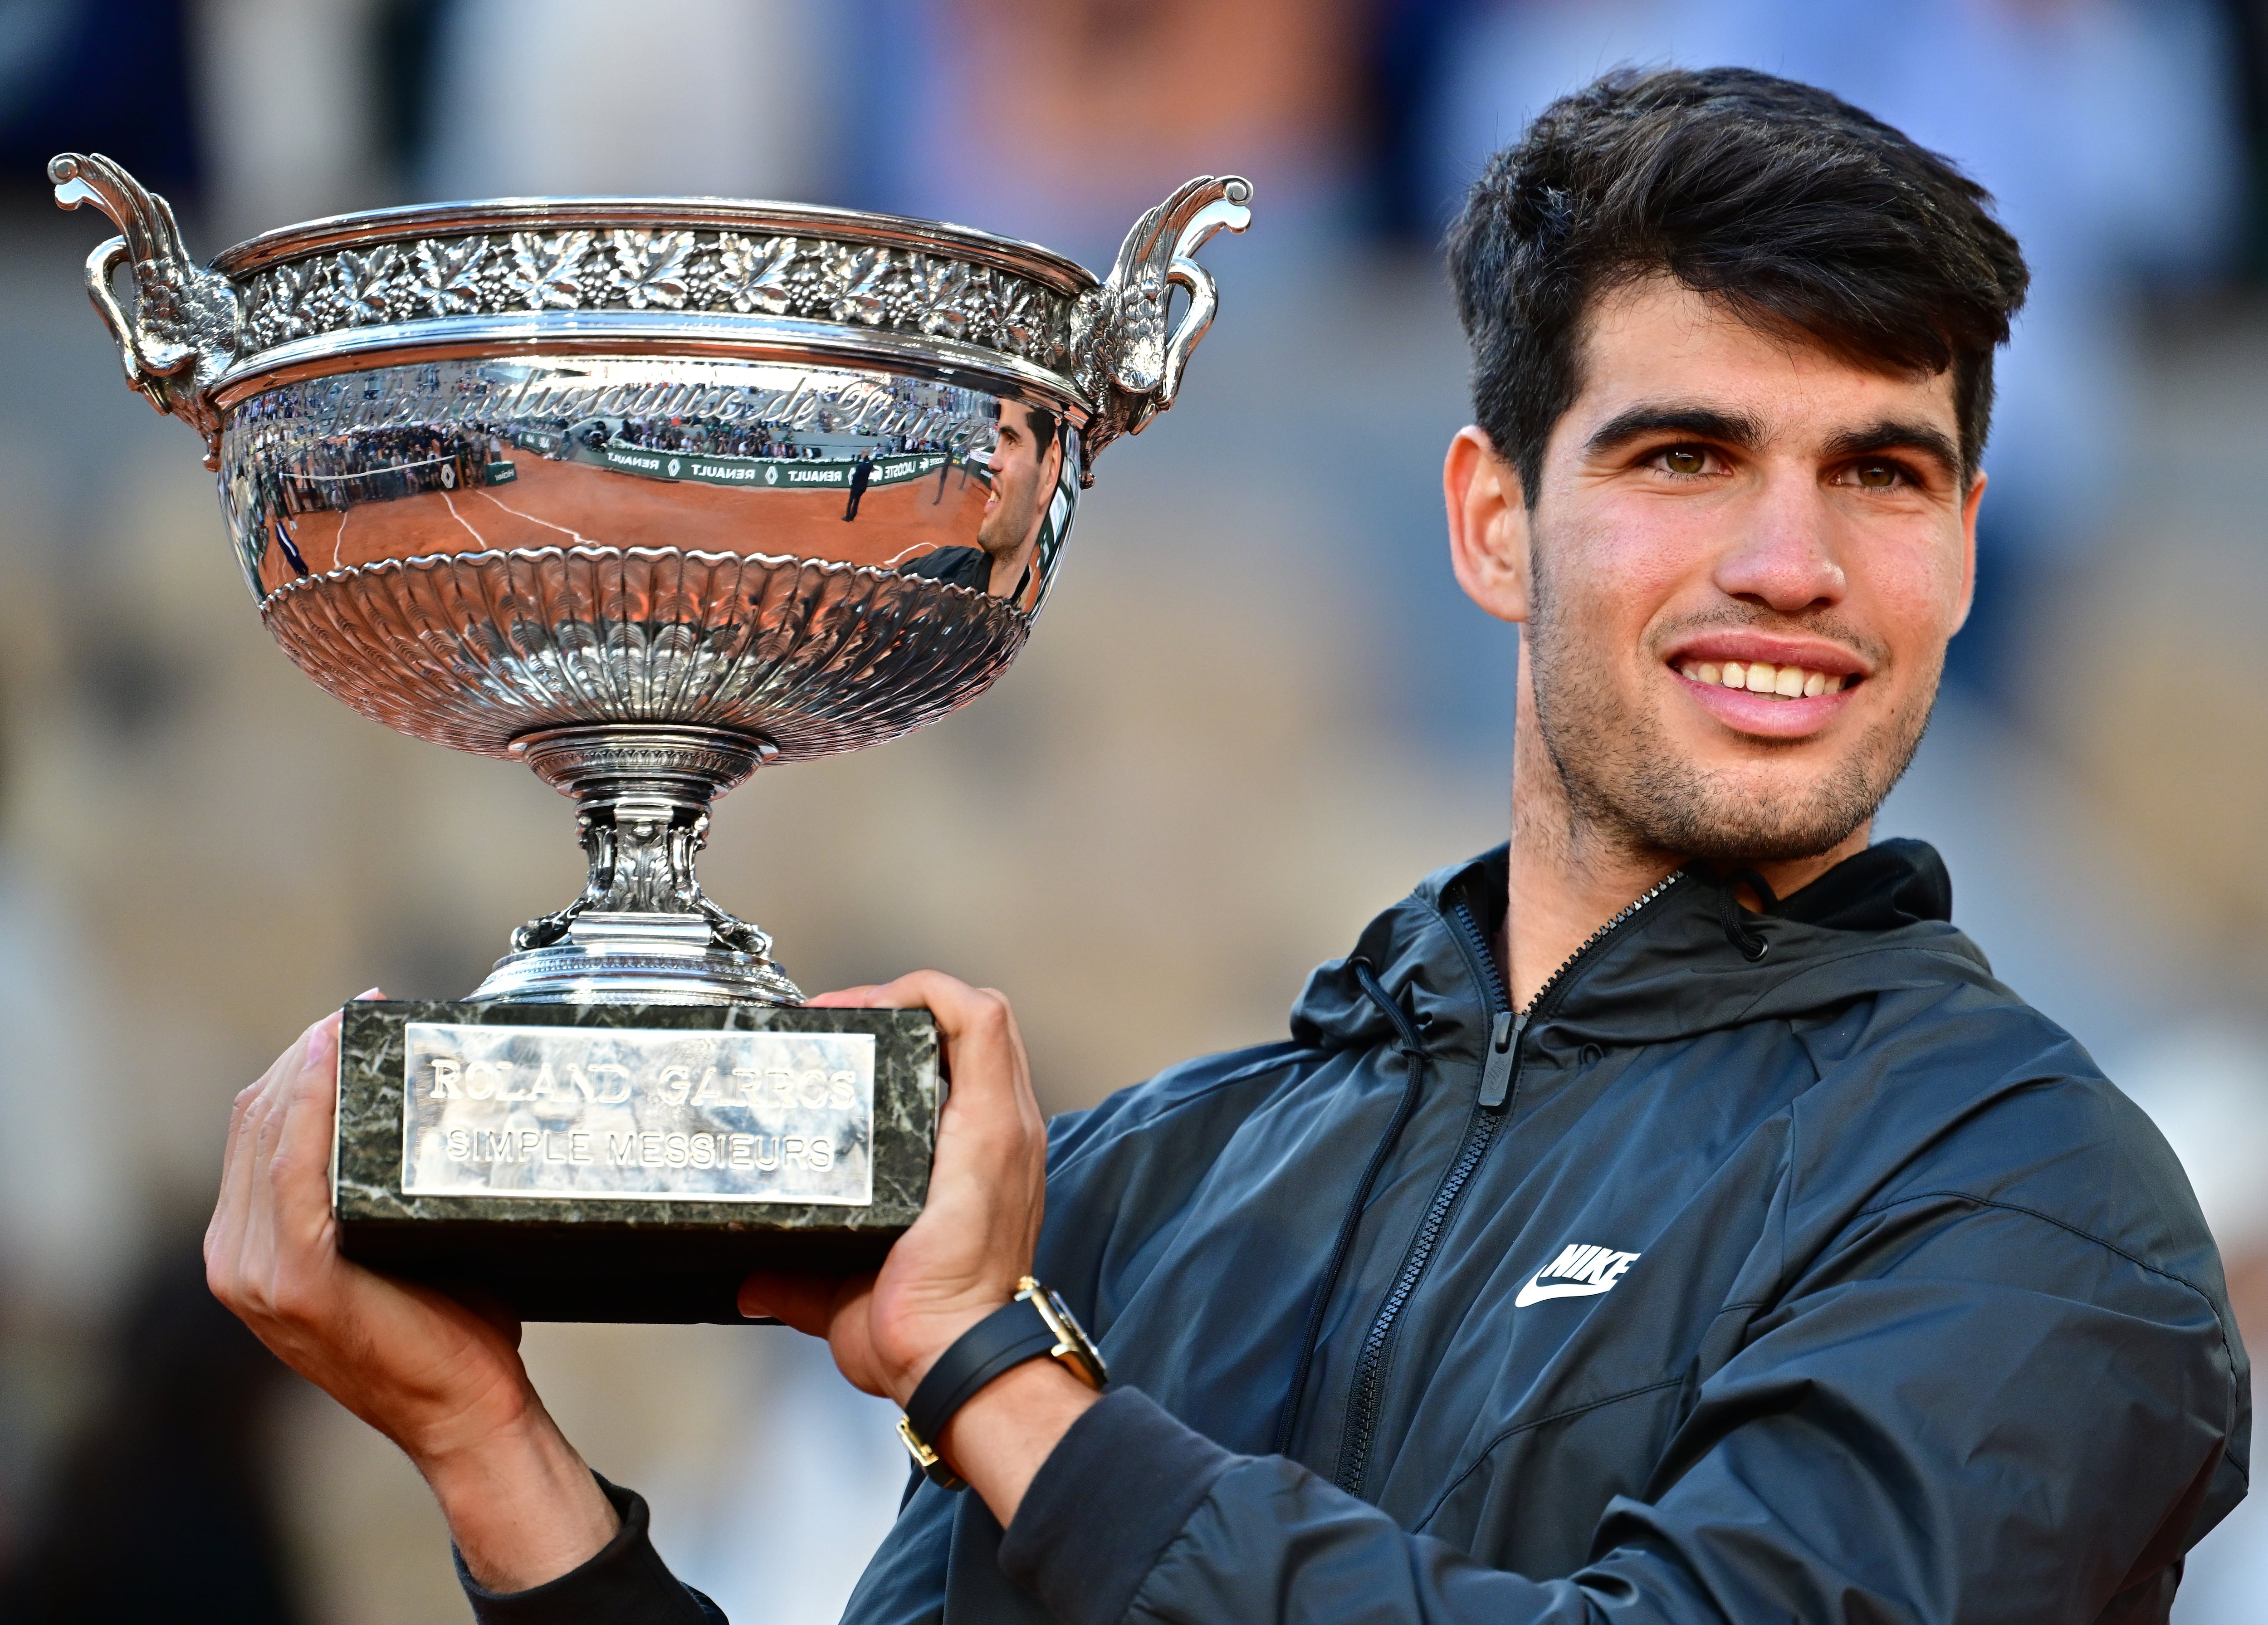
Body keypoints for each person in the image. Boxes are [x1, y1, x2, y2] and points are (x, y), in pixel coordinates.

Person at [205, 69, 2248, 1623]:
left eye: (1877, 472)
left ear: (1961, 547)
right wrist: (490, 1449)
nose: (1789, 563)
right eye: (1682, 455)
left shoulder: (2032, 1197)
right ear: (1489, 521)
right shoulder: (1157, 1173)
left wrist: (992, 1369)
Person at [897, 403, 1063, 598]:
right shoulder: (937, 568)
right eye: (999, 441)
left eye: (1012, 441)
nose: (992, 462)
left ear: (1050, 470)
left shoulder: (1022, 597)